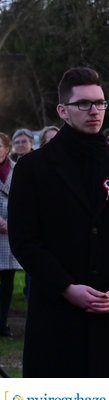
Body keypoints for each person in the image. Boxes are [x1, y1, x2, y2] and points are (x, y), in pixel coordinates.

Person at [7, 66, 109, 377]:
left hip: (108, 314)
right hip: (55, 314)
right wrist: (66, 287)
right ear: (63, 110)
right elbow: (24, 240)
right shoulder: (33, 169)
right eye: (83, 104)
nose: (94, 111)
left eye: (99, 103)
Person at [0, 133, 21, 337]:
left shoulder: (18, 170)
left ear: (7, 149)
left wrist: (12, 222)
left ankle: (2, 322)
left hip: (10, 233)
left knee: (7, 282)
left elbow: (25, 198)